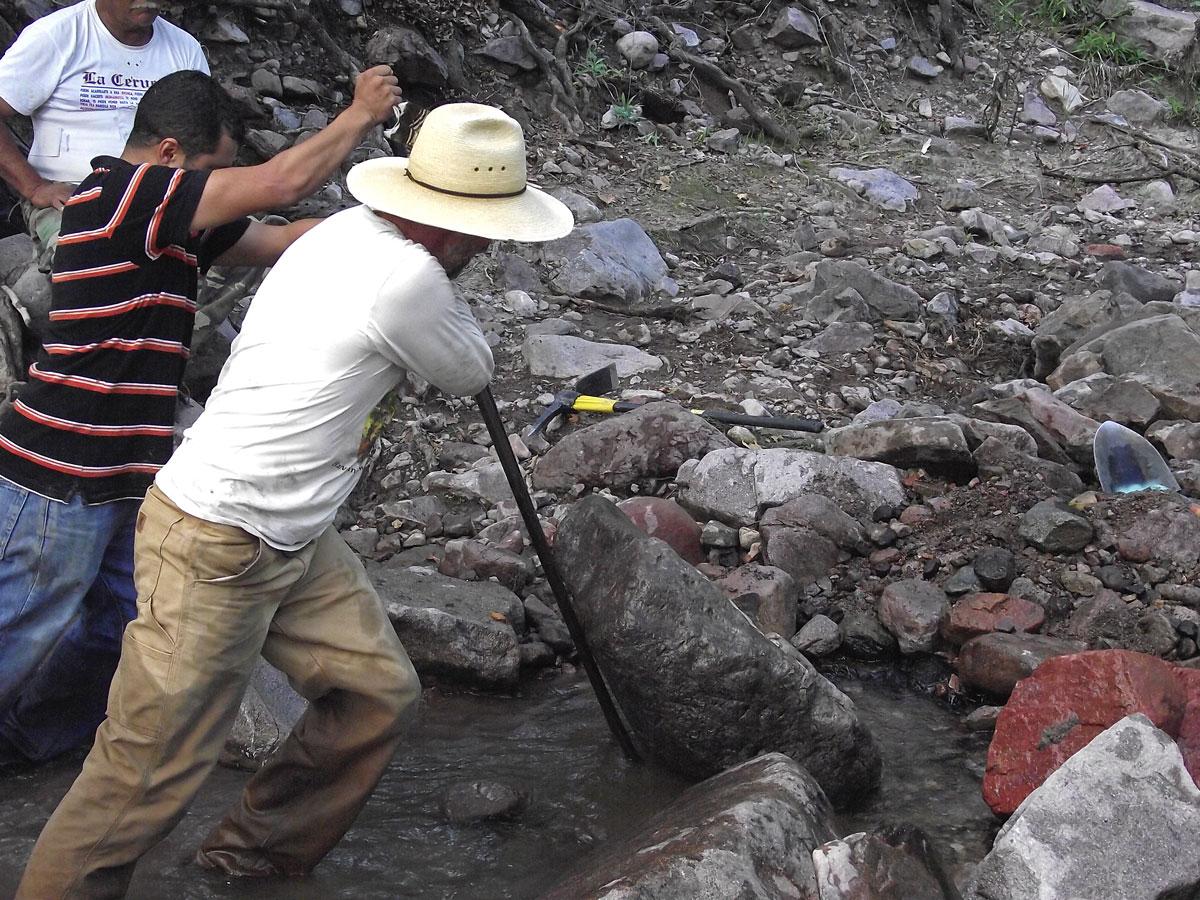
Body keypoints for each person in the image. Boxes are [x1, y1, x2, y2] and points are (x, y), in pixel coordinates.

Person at [17, 101, 574, 898]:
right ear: (456, 224)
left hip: (293, 532)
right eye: (487, 232)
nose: (488, 247)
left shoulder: (347, 231)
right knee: (144, 769)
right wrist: (453, 311)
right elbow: (470, 370)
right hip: (217, 536)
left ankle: (252, 858)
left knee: (375, 694)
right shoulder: (407, 278)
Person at [0, 65, 402, 769]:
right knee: (20, 626)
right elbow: (280, 184)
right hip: (58, 471)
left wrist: (393, 221)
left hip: (126, 473)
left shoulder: (175, 225)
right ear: (168, 155)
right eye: (211, 172)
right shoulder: (123, 194)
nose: (214, 189)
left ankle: (29, 747)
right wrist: (360, 115)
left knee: (126, 625)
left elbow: (282, 237)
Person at [0, 0, 208, 273]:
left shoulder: (184, 49)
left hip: (163, 193)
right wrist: (34, 187)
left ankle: (194, 313)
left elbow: (208, 133)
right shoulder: (57, 35)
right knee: (90, 259)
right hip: (73, 194)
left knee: (254, 236)